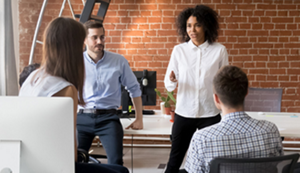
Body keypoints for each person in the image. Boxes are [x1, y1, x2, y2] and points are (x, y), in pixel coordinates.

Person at [19, 17, 128, 173]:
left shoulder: (33, 78)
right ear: (72, 49)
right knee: (120, 171)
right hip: (54, 165)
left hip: (29, 162)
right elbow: (69, 149)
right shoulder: (65, 89)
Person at [164, 5, 228, 173]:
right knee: (174, 160)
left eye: (197, 25)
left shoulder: (219, 50)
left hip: (210, 114)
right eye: (189, 25)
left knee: (212, 160)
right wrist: (172, 80)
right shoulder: (179, 51)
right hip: (184, 113)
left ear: (206, 26)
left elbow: (224, 82)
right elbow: (168, 84)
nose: (192, 30)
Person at [184, 65, 284, 173]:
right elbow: (278, 165)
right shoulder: (270, 130)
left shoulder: (201, 139)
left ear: (216, 99)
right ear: (246, 93)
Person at [76, 20, 143, 165]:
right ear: (85, 40)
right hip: (82, 118)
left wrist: (139, 118)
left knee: (116, 162)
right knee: (75, 162)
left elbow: (134, 88)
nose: (99, 41)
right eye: (94, 37)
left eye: (102, 37)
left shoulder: (118, 61)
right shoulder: (76, 62)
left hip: (108, 118)